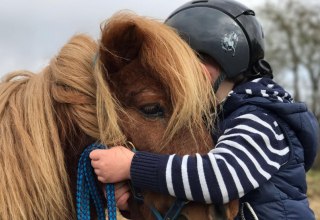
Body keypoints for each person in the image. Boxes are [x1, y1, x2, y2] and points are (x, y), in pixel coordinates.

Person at [90, 0, 319, 219]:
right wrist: (134, 205)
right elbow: (191, 184)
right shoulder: (222, 115)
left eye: (181, 63)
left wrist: (132, 166)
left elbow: (221, 177)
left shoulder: (261, 118)